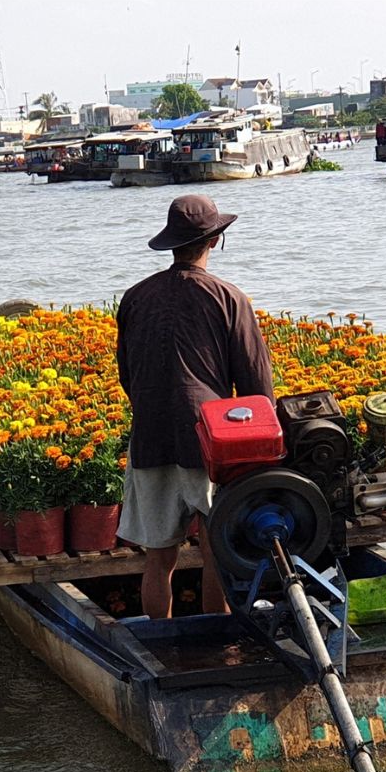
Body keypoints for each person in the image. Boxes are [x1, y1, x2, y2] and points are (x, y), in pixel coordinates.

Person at [116, 193, 275, 620]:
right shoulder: (229, 298)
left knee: (158, 559)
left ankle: (161, 645)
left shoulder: (134, 298)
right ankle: (218, 643)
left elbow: (128, 376)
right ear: (215, 240)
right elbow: (257, 388)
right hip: (210, 442)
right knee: (216, 550)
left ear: (171, 244)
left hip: (151, 439)